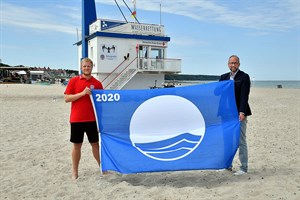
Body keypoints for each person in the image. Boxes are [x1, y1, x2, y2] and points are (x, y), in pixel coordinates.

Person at [64, 57, 103, 179]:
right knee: (77, 146)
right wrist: (82, 93)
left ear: (92, 67)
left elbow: (101, 103)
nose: (86, 68)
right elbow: (67, 98)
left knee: (95, 145)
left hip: (92, 120)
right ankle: (74, 172)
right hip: (77, 119)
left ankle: (102, 168)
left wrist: (100, 122)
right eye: (84, 66)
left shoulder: (97, 83)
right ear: (81, 68)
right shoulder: (74, 81)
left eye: (89, 66)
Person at [219, 55, 252, 175]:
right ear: (228, 64)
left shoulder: (244, 77)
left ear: (239, 64)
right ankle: (227, 165)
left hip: (239, 114)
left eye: (235, 63)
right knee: (227, 140)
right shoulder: (223, 77)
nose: (233, 65)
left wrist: (242, 112)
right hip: (226, 114)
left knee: (240, 140)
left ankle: (243, 167)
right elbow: (218, 93)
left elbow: (244, 96)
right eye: (231, 63)